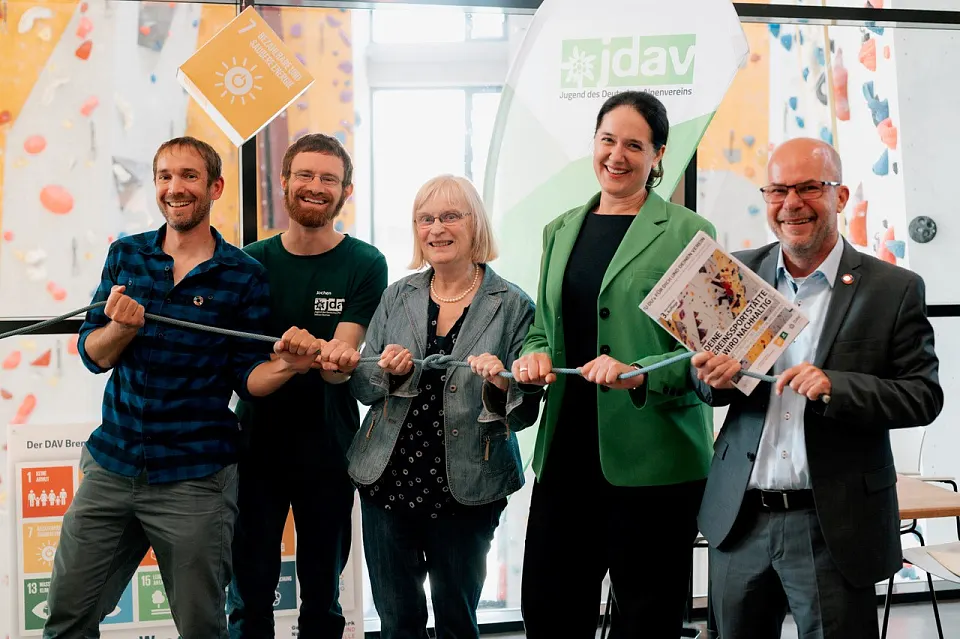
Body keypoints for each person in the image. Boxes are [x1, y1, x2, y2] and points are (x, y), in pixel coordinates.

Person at [44, 137, 325, 639]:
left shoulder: (243, 275)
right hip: (112, 466)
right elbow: (93, 354)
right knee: (68, 616)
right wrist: (119, 329)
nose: (176, 187)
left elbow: (250, 380)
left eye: (189, 176)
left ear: (214, 186)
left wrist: (287, 365)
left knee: (201, 628)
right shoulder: (126, 256)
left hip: (195, 479)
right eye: (165, 176)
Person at [692, 137, 943, 638]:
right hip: (740, 519)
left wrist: (837, 386)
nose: (792, 204)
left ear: (841, 196)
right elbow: (701, 384)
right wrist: (709, 377)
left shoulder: (893, 288)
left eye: (809, 188)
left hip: (834, 526)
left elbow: (923, 395)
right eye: (778, 190)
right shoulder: (732, 274)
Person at [512, 91, 717, 638]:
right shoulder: (559, 230)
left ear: (658, 155)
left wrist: (640, 370)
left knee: (648, 620)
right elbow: (543, 328)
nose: (617, 155)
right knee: (551, 612)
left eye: (634, 144)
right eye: (608, 140)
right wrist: (533, 354)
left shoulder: (688, 232)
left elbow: (707, 354)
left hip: (655, 461)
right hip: (565, 454)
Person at [344, 174, 541, 639]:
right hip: (387, 479)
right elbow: (363, 386)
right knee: (397, 621)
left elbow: (523, 413)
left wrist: (499, 384)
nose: (437, 228)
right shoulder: (399, 295)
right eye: (425, 219)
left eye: (451, 216)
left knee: (457, 619)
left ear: (476, 225)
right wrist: (388, 373)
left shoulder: (513, 305)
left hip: (469, 486)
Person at [226, 134, 388, 638]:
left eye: (328, 179)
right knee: (249, 588)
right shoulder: (249, 262)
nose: (316, 187)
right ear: (284, 182)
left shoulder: (365, 263)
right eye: (306, 175)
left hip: (329, 447)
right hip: (255, 448)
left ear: (346, 191)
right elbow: (246, 374)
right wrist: (297, 358)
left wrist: (307, 354)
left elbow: (341, 362)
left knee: (323, 590)